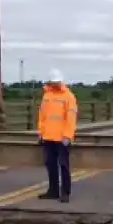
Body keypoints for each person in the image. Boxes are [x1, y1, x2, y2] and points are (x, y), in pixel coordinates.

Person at [37, 69, 78, 203]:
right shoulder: (47, 96)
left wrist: (68, 136)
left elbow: (71, 118)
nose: (55, 84)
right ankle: (53, 191)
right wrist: (41, 133)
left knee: (64, 165)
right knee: (50, 165)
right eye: (53, 82)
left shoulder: (69, 97)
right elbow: (42, 116)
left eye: (57, 82)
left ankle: (65, 192)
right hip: (48, 137)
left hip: (62, 138)